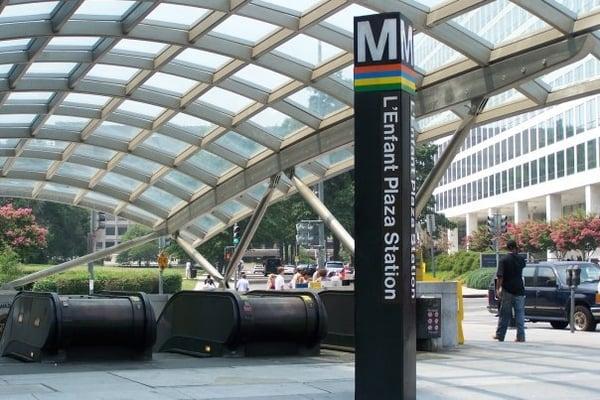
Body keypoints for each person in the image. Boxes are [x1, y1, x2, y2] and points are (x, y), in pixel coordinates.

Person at [493, 240, 526, 342]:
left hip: (507, 290)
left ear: (507, 248)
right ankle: (521, 336)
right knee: (520, 313)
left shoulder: (504, 260)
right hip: (520, 289)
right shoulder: (521, 259)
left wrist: (498, 289)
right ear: (516, 247)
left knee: (505, 314)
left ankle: (500, 335)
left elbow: (500, 276)